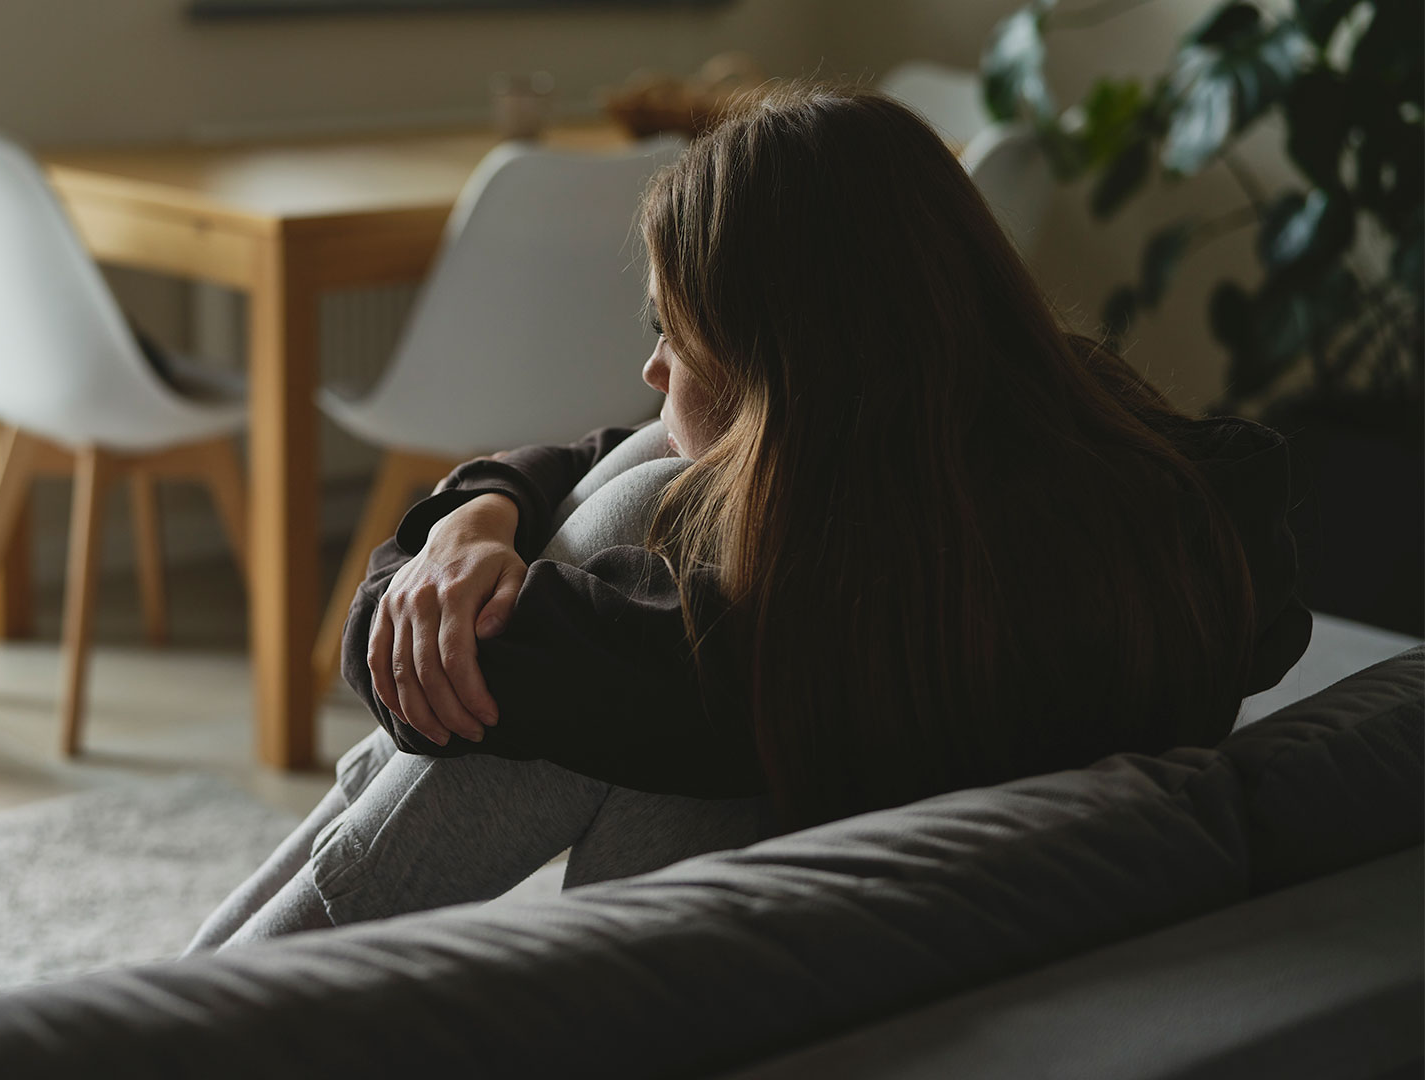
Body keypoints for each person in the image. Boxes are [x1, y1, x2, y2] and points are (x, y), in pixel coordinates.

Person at [185, 84, 1311, 953]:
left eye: (680, 340)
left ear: (790, 385)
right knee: (636, 472)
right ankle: (171, 1012)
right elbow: (600, 451)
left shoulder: (759, 646)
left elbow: (402, 662)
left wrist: (453, 552)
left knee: (621, 513)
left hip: (805, 973)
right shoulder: (1119, 484)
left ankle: (172, 1032)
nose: (650, 361)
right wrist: (477, 513)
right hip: (928, 887)